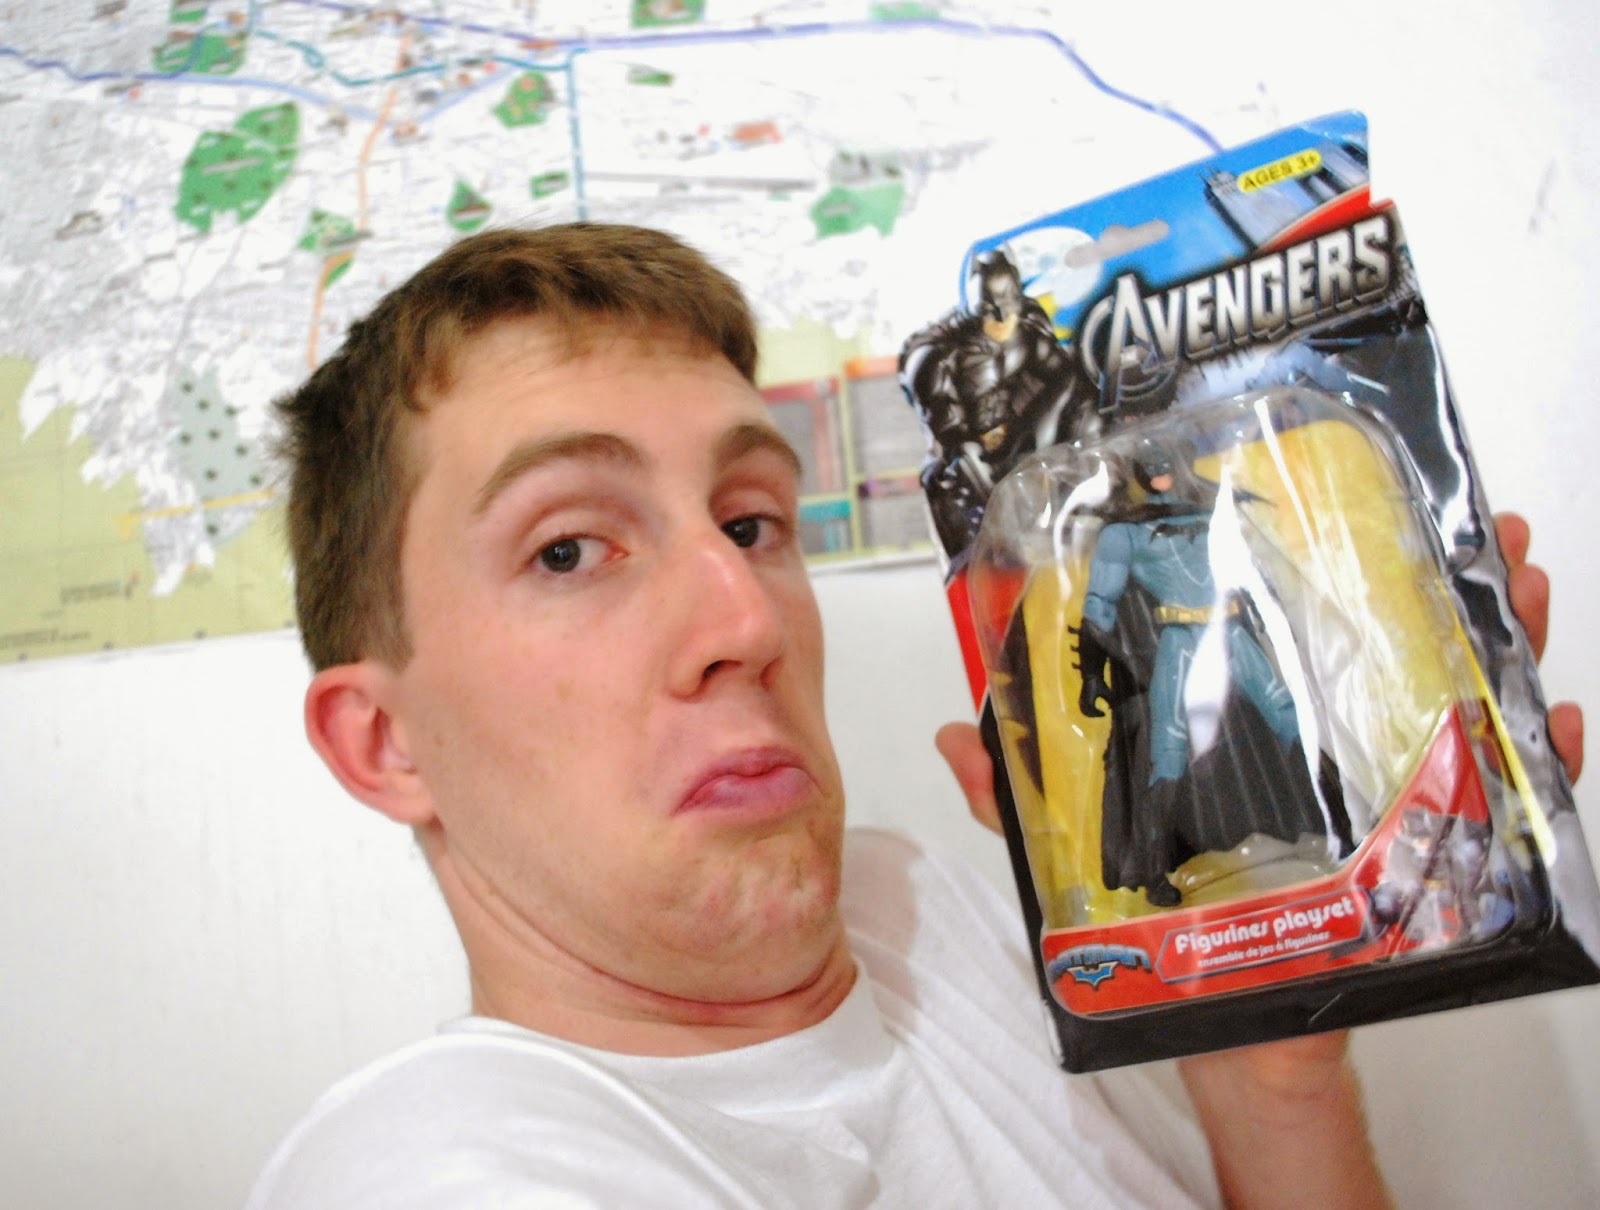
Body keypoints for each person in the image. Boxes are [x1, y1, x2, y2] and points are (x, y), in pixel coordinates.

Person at [248, 222, 1582, 1209]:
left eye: (749, 522)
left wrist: (1265, 1083)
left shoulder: (922, 910)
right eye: (567, 549)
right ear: (384, 742)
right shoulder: (445, 1171)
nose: (747, 621)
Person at [899, 247, 1097, 561]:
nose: (1003, 320)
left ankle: (1089, 510)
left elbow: (1065, 376)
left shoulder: (1026, 333)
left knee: (1088, 416)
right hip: (977, 458)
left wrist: (1039, 429)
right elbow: (949, 434)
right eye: (993, 310)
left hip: (1024, 443)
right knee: (955, 476)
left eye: (1008, 307)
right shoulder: (941, 357)